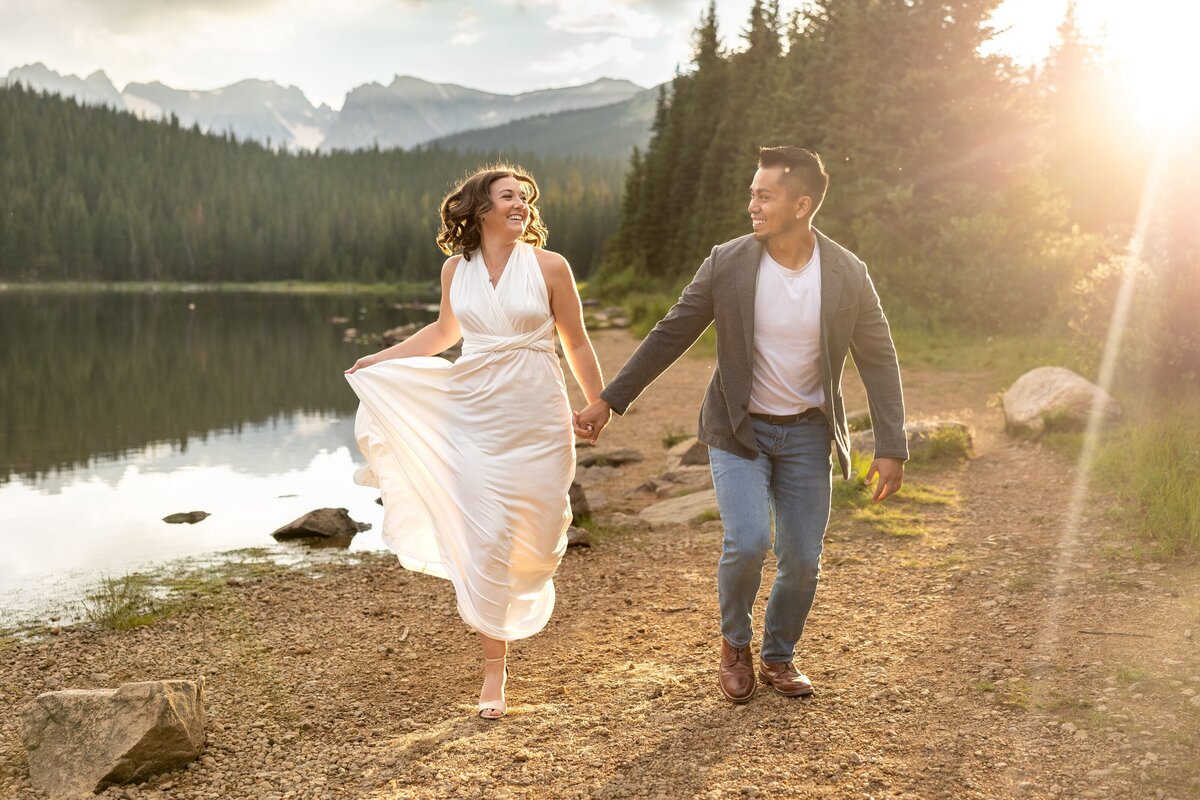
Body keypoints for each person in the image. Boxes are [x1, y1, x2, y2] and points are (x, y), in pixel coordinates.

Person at [574, 146, 907, 703]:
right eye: (751, 193)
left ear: (801, 204)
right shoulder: (727, 261)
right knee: (748, 541)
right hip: (738, 429)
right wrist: (610, 399)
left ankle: (778, 654)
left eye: (763, 195)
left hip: (807, 432)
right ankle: (735, 643)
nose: (750, 204)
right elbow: (671, 332)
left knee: (802, 557)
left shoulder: (848, 273)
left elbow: (878, 357)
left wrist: (891, 445)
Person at [345, 164, 604, 719]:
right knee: (487, 538)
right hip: (474, 414)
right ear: (480, 209)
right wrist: (380, 360)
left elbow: (576, 342)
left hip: (538, 416)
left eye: (525, 197)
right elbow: (444, 334)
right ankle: (494, 673)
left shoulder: (551, 267)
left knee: (538, 536)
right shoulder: (454, 270)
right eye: (508, 196)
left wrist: (598, 401)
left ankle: (516, 611)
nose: (521, 205)